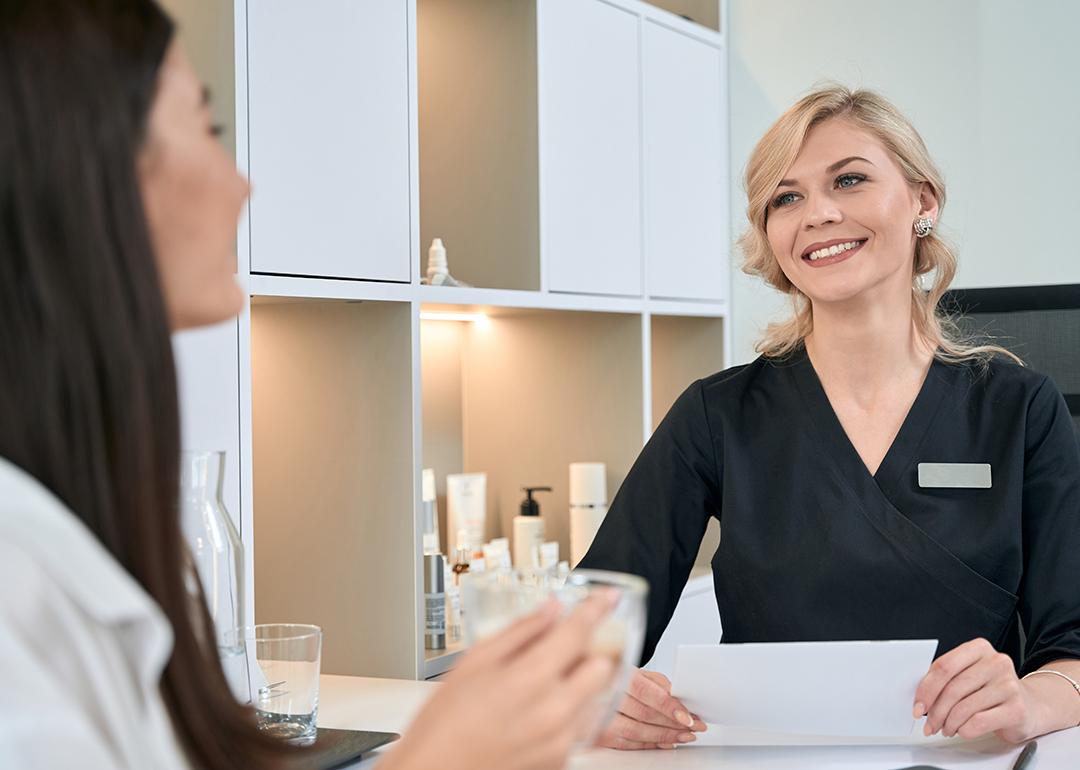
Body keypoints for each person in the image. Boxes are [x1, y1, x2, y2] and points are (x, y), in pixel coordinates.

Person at [0, 1, 615, 768]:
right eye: (209, 130)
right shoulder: (16, 582)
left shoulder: (77, 536)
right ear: (87, 169)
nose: (241, 186)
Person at [581, 85, 1080, 748]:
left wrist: (1031, 702)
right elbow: (590, 628)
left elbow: (1073, 651)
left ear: (922, 202)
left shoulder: (1020, 409)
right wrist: (593, 695)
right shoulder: (716, 414)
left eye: (848, 180)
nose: (817, 213)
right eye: (786, 197)